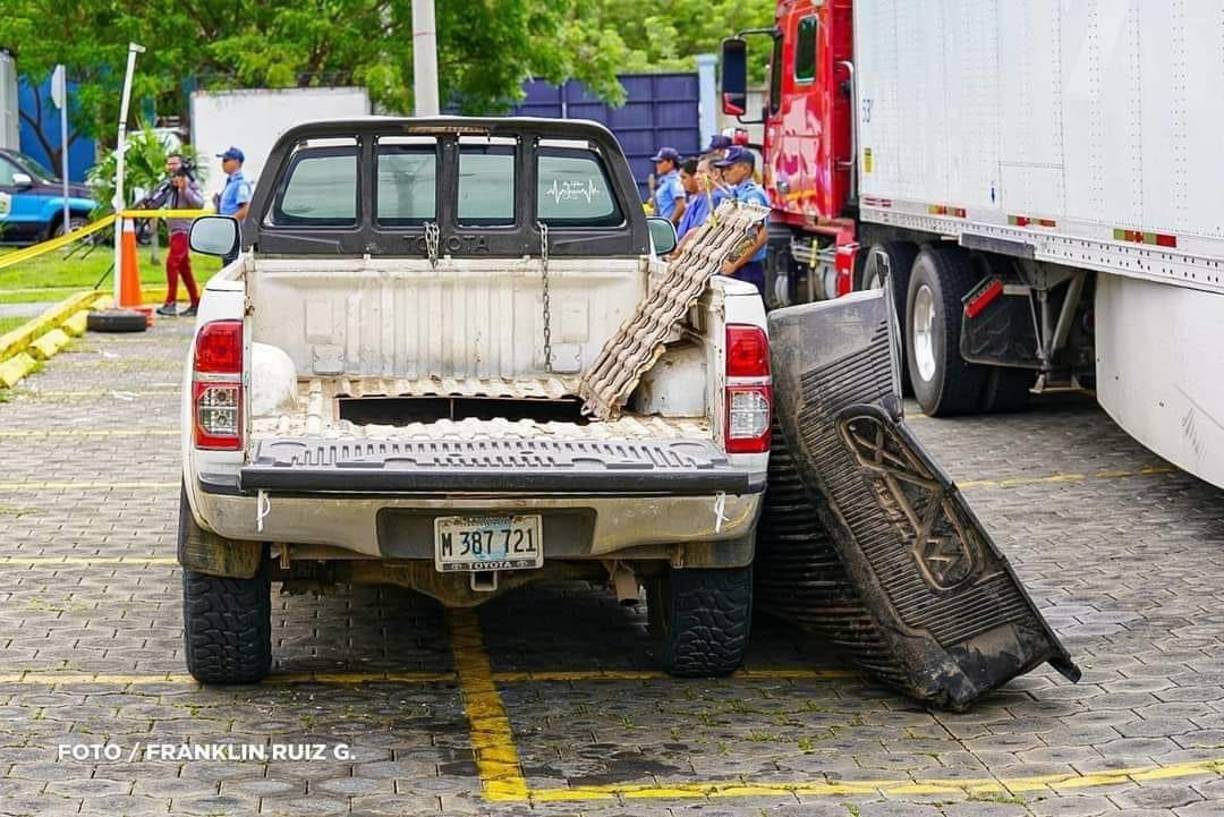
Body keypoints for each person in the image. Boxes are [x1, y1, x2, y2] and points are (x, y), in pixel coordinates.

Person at [153, 153, 205, 317]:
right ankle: (196, 302)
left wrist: (185, 188)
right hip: (174, 230)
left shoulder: (191, 181)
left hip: (183, 229)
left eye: (174, 163)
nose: (171, 167)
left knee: (172, 263)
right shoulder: (169, 184)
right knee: (184, 268)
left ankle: (170, 302)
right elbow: (159, 200)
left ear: (181, 164)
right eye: (169, 164)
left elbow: (199, 204)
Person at [714, 146, 769, 294]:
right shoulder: (737, 194)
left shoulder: (752, 196)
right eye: (723, 169)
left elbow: (756, 235)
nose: (724, 173)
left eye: (729, 168)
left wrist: (734, 261)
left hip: (747, 267)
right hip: (739, 265)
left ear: (745, 169)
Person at [214, 146, 252, 266]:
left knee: (231, 265)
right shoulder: (230, 182)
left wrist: (229, 223)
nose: (222, 164)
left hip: (234, 231)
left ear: (236, 162)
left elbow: (245, 209)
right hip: (228, 231)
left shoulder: (241, 183)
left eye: (226, 160)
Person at [650, 147, 686, 226]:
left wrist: (669, 224)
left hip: (671, 226)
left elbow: (681, 205)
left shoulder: (674, 181)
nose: (657, 165)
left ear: (670, 163)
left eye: (660, 162)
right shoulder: (665, 180)